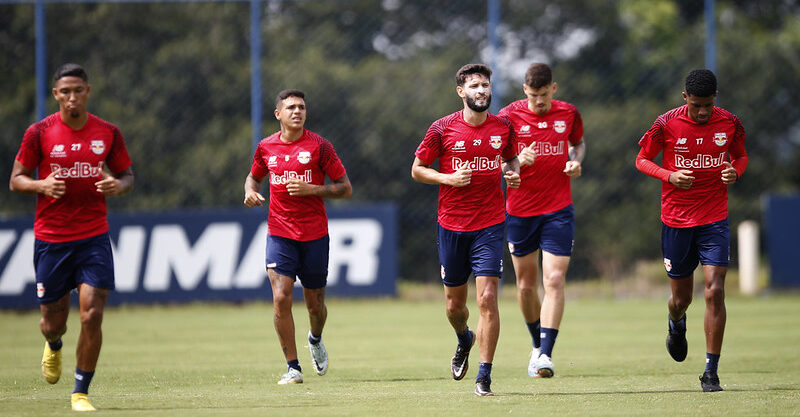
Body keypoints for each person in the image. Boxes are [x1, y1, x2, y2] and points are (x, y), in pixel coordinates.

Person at [9, 63, 134, 412]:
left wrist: (117, 185)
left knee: (92, 314)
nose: (72, 97)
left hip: (93, 237)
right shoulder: (39, 133)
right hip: (51, 239)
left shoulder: (107, 132)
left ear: (87, 92)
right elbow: (16, 179)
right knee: (53, 322)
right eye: (65, 91)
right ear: (56, 95)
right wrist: (40, 184)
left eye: (78, 90)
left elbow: (127, 176)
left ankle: (81, 392)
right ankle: (54, 343)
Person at [635, 69, 747, 392]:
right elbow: (642, 159)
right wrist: (668, 176)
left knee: (715, 290)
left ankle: (711, 372)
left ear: (716, 100)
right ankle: (676, 322)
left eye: (708, 106)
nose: (702, 112)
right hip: (677, 220)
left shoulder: (731, 123)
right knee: (681, 299)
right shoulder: (665, 123)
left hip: (714, 218)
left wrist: (734, 172)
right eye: (696, 105)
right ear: (685, 98)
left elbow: (741, 156)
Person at [411, 64, 520, 396]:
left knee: (487, 298)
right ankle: (464, 338)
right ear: (461, 92)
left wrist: (513, 173)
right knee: (454, 308)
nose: (482, 91)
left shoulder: (504, 127)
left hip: (489, 223)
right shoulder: (442, 128)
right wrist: (447, 179)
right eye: (474, 86)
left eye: (485, 85)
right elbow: (417, 170)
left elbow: (511, 160)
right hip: (452, 226)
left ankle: (484, 375)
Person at [243, 89, 352, 385]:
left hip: (315, 234)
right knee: (281, 298)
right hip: (280, 233)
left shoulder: (320, 147)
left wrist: (313, 190)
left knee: (315, 306)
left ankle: (315, 338)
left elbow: (345, 187)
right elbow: (254, 176)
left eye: (301, 107)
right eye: (290, 107)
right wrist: (250, 191)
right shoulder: (265, 147)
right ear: (278, 114)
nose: (297, 111)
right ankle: (293, 367)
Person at [497, 63, 585, 378]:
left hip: (558, 210)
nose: (539, 102)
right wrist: (517, 164)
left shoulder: (569, 114)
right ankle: (536, 344)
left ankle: (545, 354)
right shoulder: (507, 117)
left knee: (555, 280)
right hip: (520, 211)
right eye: (534, 95)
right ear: (525, 90)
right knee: (525, 286)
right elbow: (496, 162)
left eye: (544, 95)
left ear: (554, 89)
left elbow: (578, 145)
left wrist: (575, 162)